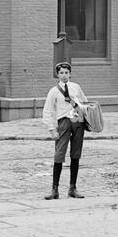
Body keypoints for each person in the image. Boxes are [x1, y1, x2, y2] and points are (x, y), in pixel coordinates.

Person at [42, 61, 89, 199]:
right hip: (63, 122)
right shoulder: (54, 91)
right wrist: (52, 129)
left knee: (75, 154)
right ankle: (54, 190)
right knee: (59, 154)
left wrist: (86, 119)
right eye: (61, 73)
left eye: (66, 73)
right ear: (57, 74)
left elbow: (85, 103)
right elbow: (48, 111)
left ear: (70, 74)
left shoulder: (76, 87)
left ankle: (73, 188)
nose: (64, 76)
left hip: (77, 121)